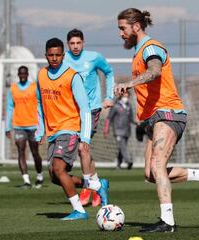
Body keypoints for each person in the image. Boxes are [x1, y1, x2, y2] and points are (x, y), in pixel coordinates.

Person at [116, 8, 199, 233]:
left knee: (157, 164)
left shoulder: (151, 47)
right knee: (151, 173)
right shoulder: (137, 52)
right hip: (152, 120)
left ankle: (168, 221)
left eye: (123, 28)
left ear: (136, 26)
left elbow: (154, 71)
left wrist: (129, 83)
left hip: (167, 113)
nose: (120, 34)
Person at [35, 37, 108, 221]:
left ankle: (79, 210)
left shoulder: (72, 76)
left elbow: (85, 108)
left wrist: (85, 138)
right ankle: (96, 186)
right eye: (51, 55)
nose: (54, 58)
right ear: (46, 55)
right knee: (54, 176)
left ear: (63, 55)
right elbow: (38, 102)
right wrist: (40, 129)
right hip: (52, 132)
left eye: (58, 55)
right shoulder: (41, 75)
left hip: (70, 129)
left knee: (59, 168)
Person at [64, 29, 113, 207]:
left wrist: (109, 96)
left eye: (78, 43)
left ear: (83, 43)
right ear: (67, 44)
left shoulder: (94, 57)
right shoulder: (63, 59)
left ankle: (87, 187)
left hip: (91, 109)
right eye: (72, 43)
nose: (75, 46)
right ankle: (98, 185)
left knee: (82, 149)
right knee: (85, 151)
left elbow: (109, 72)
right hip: (72, 111)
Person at [5, 66, 43, 189]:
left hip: (33, 125)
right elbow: (10, 108)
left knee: (35, 152)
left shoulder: (34, 87)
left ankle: (39, 176)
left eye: (24, 73)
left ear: (27, 74)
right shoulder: (13, 89)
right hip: (19, 125)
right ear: (18, 74)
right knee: (21, 151)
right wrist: (7, 127)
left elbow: (39, 105)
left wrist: (41, 126)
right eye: (20, 73)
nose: (22, 75)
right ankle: (26, 181)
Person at [103, 91, 136, 170]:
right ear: (121, 97)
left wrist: (137, 123)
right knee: (123, 146)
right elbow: (109, 118)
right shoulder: (116, 106)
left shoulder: (129, 106)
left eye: (127, 96)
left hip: (127, 130)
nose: (126, 98)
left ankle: (118, 164)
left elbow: (131, 119)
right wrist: (106, 129)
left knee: (122, 148)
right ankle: (128, 161)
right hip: (118, 130)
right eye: (124, 96)